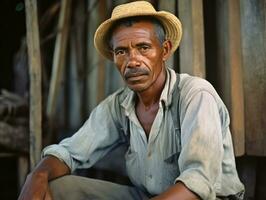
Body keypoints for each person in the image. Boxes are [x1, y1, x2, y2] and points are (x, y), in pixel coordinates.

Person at [18, 1, 245, 200]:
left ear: (164, 50)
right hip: (146, 196)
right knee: (59, 189)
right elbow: (71, 152)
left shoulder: (195, 95)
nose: (132, 61)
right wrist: (37, 174)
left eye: (143, 48)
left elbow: (198, 184)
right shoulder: (118, 106)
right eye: (121, 52)